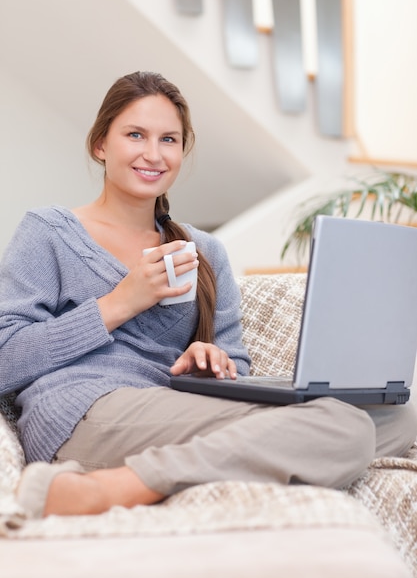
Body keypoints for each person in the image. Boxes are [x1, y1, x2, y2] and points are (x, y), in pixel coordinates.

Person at [0, 71, 415, 519]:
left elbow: (235, 366)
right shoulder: (50, 232)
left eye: (169, 140)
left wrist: (211, 364)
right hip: (84, 410)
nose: (153, 154)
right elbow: (6, 359)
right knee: (345, 429)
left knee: (398, 418)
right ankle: (104, 489)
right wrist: (120, 302)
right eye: (135, 135)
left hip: (176, 405)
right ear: (101, 144)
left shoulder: (205, 250)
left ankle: (177, 469)